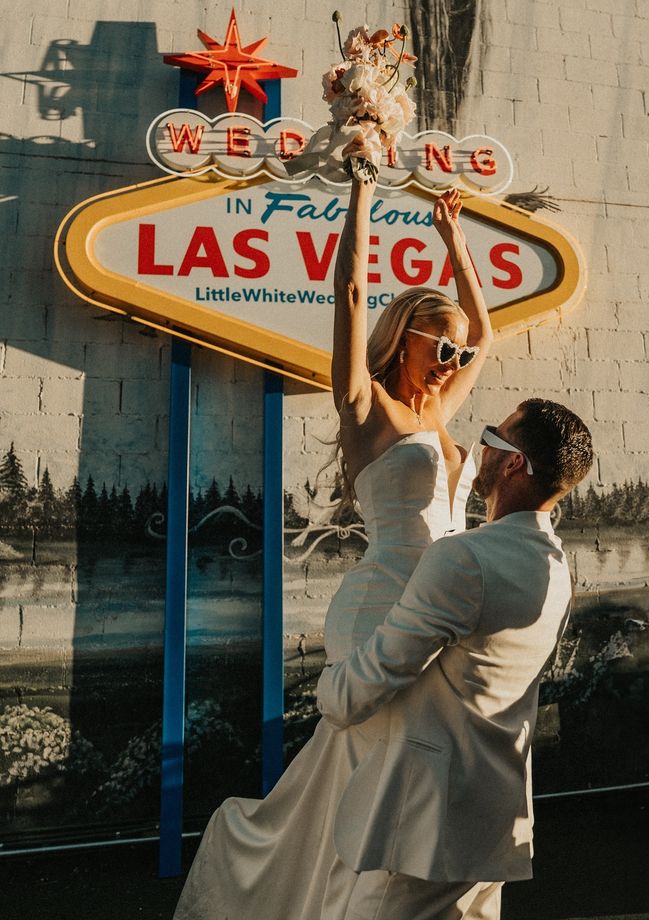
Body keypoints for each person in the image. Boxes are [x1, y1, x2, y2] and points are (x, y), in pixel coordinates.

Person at [173, 139, 493, 920]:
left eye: (455, 348)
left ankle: (370, 893)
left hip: (442, 608)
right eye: (439, 343)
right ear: (405, 337)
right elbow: (350, 292)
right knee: (377, 767)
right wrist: (362, 194)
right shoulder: (367, 411)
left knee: (401, 767)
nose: (453, 358)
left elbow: (486, 333)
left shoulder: (438, 414)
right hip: (383, 604)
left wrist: (455, 244)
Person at [315, 398, 594, 919]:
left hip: (427, 832)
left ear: (513, 463)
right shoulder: (556, 569)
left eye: (494, 435)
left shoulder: (464, 558)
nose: (479, 446)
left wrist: (329, 687)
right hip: (494, 822)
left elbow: (381, 670)